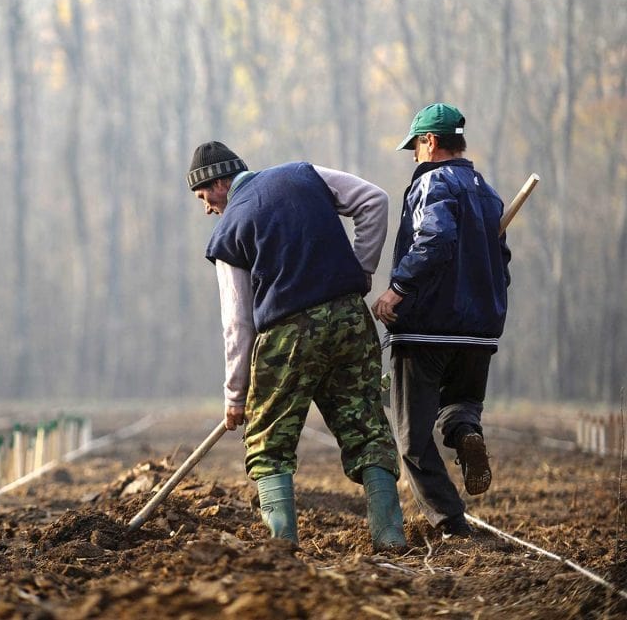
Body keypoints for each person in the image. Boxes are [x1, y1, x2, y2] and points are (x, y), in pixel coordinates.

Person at [188, 141, 406, 552]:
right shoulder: (304, 174)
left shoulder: (227, 231)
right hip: (349, 322)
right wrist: (360, 271)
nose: (205, 208)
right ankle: (391, 537)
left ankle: (282, 548)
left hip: (287, 336)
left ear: (218, 183)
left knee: (268, 444)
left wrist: (235, 396)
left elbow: (237, 322)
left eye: (203, 197)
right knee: (367, 428)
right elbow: (374, 200)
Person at [372, 103, 511, 538]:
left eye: (415, 145)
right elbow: (501, 260)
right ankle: (465, 431)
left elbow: (436, 237)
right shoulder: (486, 192)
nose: (413, 154)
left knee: (411, 437)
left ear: (430, 141)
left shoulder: (433, 183)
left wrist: (399, 288)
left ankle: (450, 521)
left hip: (427, 327)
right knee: (461, 405)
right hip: (479, 331)